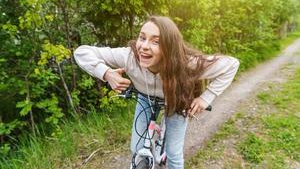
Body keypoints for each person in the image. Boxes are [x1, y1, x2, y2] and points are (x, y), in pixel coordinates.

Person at [74, 16, 239, 169]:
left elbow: (232, 64)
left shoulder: (187, 63)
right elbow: (81, 52)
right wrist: (106, 73)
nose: (144, 46)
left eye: (156, 41)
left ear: (169, 47)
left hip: (175, 100)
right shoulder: (129, 57)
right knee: (137, 148)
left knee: (174, 154)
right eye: (142, 37)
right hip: (145, 98)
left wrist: (206, 98)